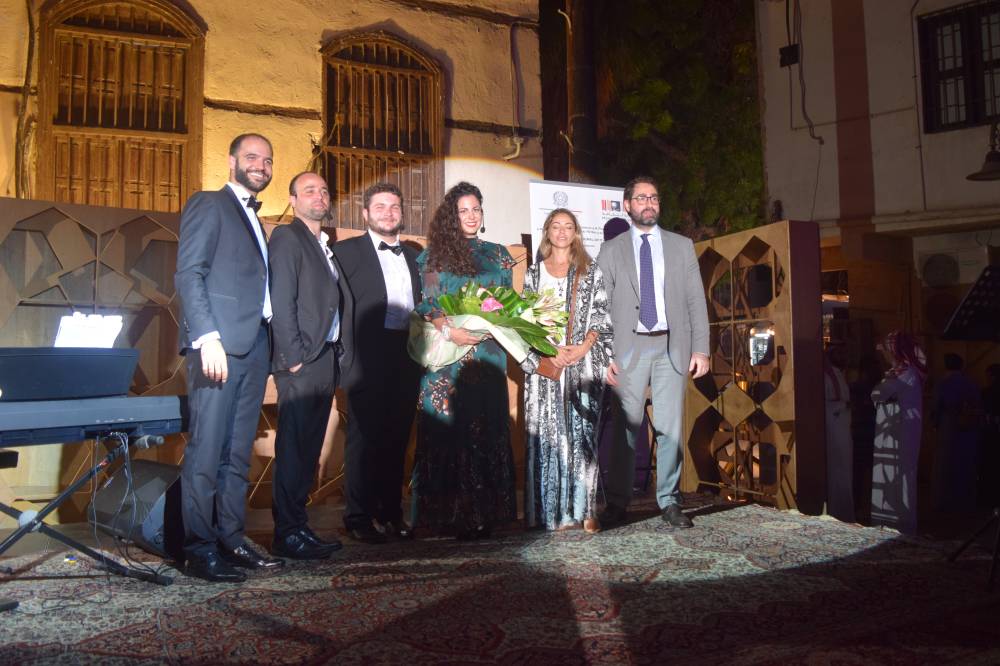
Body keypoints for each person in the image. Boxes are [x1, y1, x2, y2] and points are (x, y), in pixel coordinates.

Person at [174, 133, 284, 582]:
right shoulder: (208, 203)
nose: (261, 164)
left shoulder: (256, 218)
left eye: (268, 159)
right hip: (218, 347)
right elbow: (190, 272)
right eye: (252, 157)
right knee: (207, 450)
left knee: (237, 453)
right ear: (232, 160)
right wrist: (206, 337)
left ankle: (231, 537)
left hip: (255, 346)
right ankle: (199, 548)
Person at [596, 176, 710, 529]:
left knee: (670, 428)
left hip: (671, 347)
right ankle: (617, 503)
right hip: (627, 349)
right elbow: (599, 307)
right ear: (628, 205)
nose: (649, 203)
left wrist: (701, 349)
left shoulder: (681, 246)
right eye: (641, 198)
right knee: (625, 431)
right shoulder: (610, 250)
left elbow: (695, 300)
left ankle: (670, 501)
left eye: (654, 198)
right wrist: (603, 355)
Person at [410, 181, 518, 539]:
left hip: (488, 353)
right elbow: (427, 302)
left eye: (476, 209)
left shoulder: (500, 254)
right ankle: (443, 518)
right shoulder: (432, 256)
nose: (471, 216)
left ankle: (490, 515)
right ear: (451, 217)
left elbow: (509, 302)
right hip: (447, 357)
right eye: (463, 211)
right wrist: (447, 329)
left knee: (486, 428)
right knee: (447, 431)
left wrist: (498, 323)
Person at [332, 182, 422, 544]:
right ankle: (358, 516)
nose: (389, 212)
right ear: (366, 214)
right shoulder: (345, 252)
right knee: (363, 439)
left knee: (397, 439)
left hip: (407, 354)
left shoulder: (416, 256)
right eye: (380, 207)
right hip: (366, 356)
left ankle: (390, 512)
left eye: (395, 207)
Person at [521, 209, 614, 532]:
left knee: (582, 436)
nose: (562, 232)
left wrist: (583, 348)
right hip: (546, 365)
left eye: (568, 226)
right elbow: (523, 322)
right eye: (556, 226)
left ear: (576, 233)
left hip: (582, 363)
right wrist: (550, 351)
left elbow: (602, 317)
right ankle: (551, 512)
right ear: (547, 232)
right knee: (549, 436)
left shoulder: (590, 271)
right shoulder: (534, 274)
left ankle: (585, 509)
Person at [267, 172, 344, 559]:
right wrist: (293, 357)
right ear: (293, 199)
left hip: (324, 359)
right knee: (294, 448)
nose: (319, 196)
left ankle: (299, 527)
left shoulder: (323, 245)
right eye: (309, 190)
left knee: (309, 447)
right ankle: (286, 532)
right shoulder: (287, 236)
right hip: (302, 361)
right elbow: (281, 300)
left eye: (324, 191)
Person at [870, 330, 926, 536]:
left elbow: (879, 393)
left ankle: (903, 524)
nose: (884, 353)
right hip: (895, 429)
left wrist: (878, 388)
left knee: (902, 475)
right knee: (893, 473)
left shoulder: (904, 372)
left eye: (886, 349)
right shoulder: (903, 371)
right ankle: (890, 519)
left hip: (900, 430)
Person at [931, 353, 981, 513]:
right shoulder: (969, 382)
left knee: (944, 463)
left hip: (947, 425)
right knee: (964, 462)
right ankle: (964, 501)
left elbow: (935, 408)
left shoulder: (943, 383)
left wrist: (934, 423)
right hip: (967, 427)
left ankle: (944, 501)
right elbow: (977, 404)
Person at [824, 344, 853, 522]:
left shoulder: (838, 373)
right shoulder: (827, 375)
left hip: (842, 427)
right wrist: (844, 406)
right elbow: (826, 403)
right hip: (833, 428)